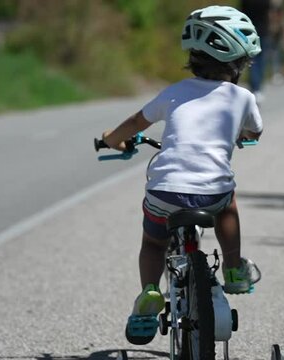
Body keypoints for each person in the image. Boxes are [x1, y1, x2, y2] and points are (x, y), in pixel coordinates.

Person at [100, 5, 263, 346]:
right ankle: (233, 268)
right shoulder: (243, 97)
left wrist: (110, 139)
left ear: (194, 56)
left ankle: (149, 292)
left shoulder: (173, 92)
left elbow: (134, 123)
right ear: (238, 64)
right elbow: (254, 132)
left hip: (165, 193)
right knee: (228, 203)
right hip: (213, 193)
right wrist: (241, 136)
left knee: (153, 242)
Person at [241, 0, 271, 102]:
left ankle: (255, 87)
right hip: (263, 31)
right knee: (260, 61)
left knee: (252, 60)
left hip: (249, 31)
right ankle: (257, 88)